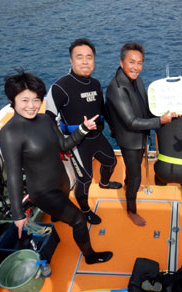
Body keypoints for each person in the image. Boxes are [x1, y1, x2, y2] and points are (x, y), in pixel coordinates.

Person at [0, 70, 113, 264]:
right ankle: (90, 257)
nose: (32, 106)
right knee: (78, 219)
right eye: (24, 100)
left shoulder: (45, 120)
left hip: (61, 182)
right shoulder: (10, 133)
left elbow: (64, 145)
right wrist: (18, 214)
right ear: (12, 99)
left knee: (62, 210)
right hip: (43, 192)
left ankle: (57, 216)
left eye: (36, 100)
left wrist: (83, 129)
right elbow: (14, 175)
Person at [46, 38, 121, 225]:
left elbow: (102, 109)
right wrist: (60, 145)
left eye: (89, 57)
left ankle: (104, 183)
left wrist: (114, 128)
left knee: (111, 161)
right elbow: (48, 119)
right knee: (85, 179)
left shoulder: (95, 84)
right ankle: (86, 210)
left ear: (94, 60)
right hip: (76, 142)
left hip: (97, 136)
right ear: (71, 61)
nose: (85, 61)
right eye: (79, 57)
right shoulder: (59, 87)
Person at [106, 42, 177, 226]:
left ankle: (128, 182)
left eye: (139, 63)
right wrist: (160, 121)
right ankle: (131, 210)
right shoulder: (117, 88)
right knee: (137, 177)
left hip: (140, 135)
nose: (136, 67)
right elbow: (130, 121)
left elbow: (145, 106)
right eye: (131, 62)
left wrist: (165, 110)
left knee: (133, 170)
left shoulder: (136, 79)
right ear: (121, 62)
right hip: (130, 139)